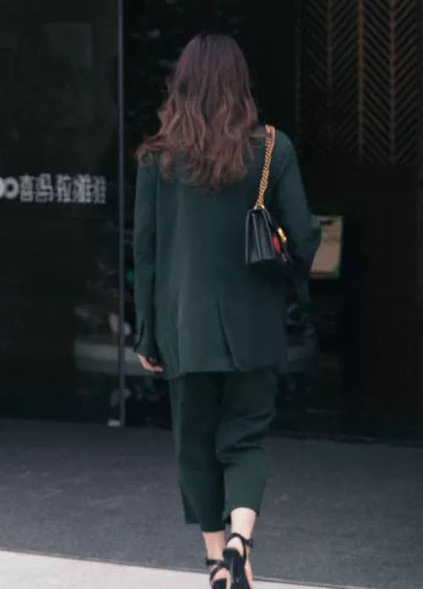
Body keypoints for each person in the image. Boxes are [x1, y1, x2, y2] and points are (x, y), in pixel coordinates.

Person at [132, 34, 321, 589]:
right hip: (252, 323)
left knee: (194, 443)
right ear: (241, 83)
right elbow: (304, 233)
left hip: (183, 326)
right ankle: (242, 538)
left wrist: (147, 334)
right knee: (246, 436)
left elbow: (146, 253)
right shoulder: (272, 149)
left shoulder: (157, 157)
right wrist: (293, 275)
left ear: (182, 83)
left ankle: (217, 561)